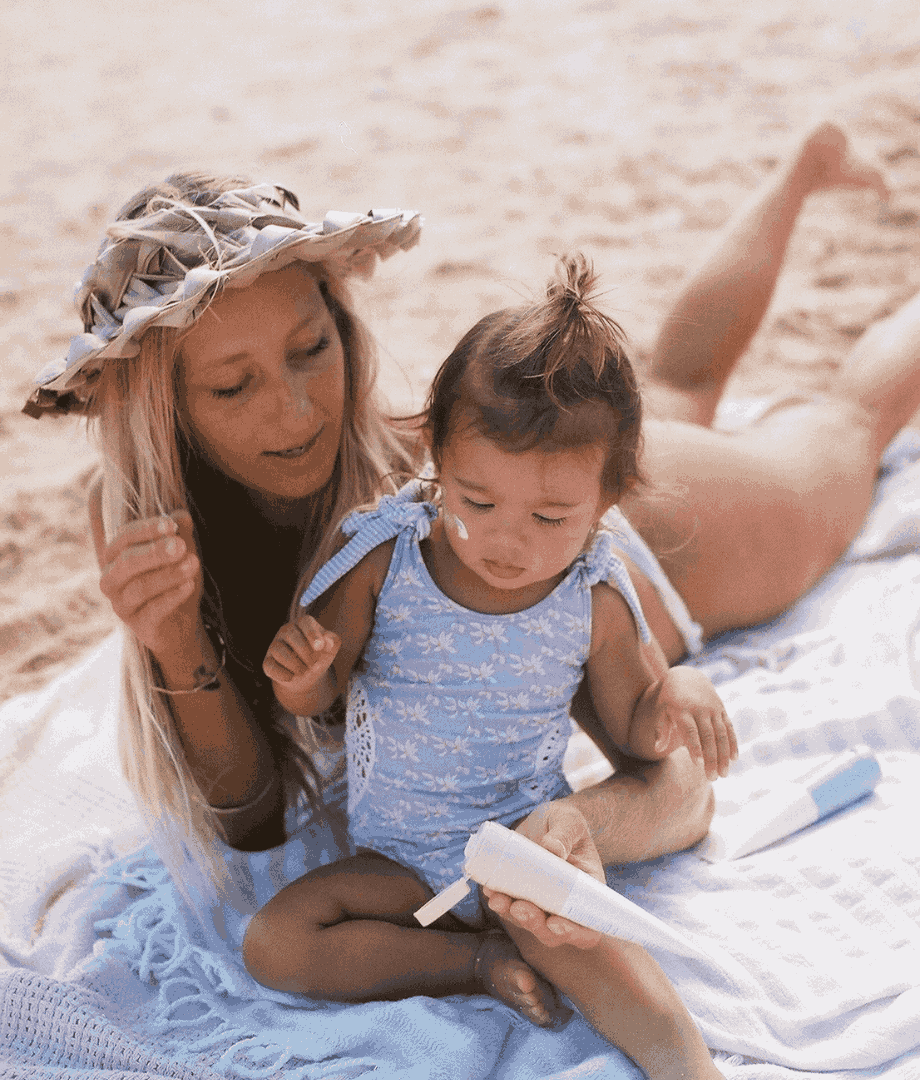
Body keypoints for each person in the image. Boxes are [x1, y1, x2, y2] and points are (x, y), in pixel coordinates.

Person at [24, 121, 917, 985]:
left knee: (845, 427)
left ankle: (803, 170)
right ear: (162, 405)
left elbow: (670, 778)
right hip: (551, 497)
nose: (297, 412)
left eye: (311, 349)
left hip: (658, 547)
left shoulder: (407, 472)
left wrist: (574, 825)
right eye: (232, 385)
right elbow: (251, 820)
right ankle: (808, 165)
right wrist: (174, 640)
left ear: (342, 320)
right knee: (677, 386)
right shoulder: (140, 515)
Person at [243, 253, 736, 1079]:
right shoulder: (384, 555)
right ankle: (470, 966)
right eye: (477, 501)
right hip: (400, 864)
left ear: (609, 500)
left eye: (551, 515)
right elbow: (322, 692)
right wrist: (299, 673)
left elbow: (639, 736)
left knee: (620, 983)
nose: (510, 541)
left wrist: (677, 692)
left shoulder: (593, 592)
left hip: (526, 856)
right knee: (276, 943)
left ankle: (694, 1068)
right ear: (434, 454)